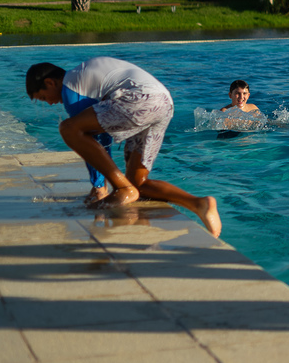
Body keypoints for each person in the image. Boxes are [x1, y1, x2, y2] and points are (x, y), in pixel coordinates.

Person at [25, 58, 222, 237]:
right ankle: (200, 204)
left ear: (50, 82)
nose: (50, 103)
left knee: (69, 128)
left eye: (44, 97)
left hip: (141, 100)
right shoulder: (84, 75)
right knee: (139, 183)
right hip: (164, 104)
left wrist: (99, 186)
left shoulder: (71, 85)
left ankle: (123, 188)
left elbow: (93, 137)